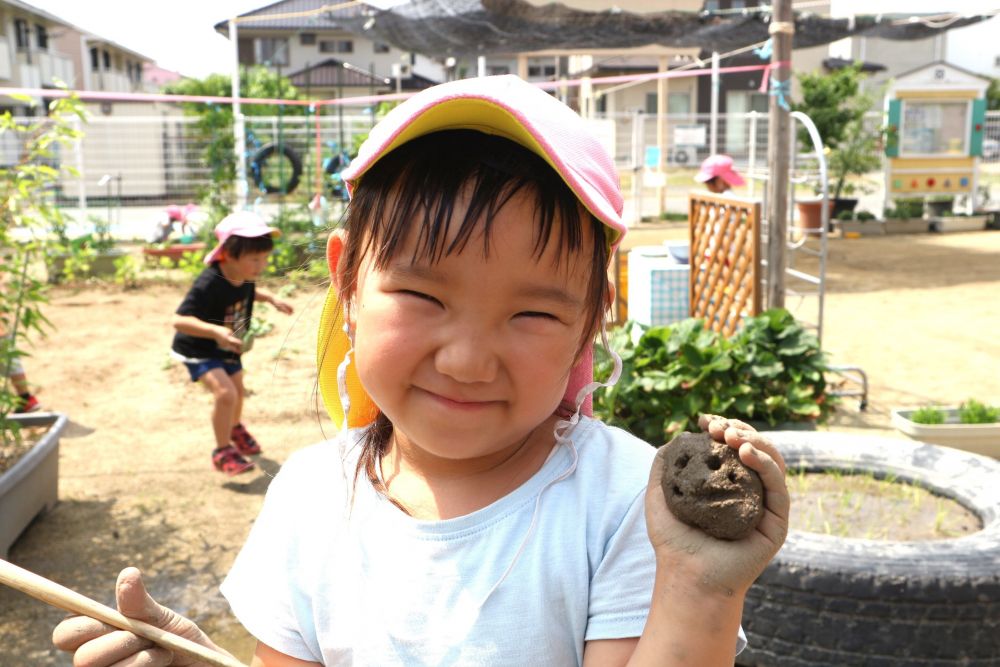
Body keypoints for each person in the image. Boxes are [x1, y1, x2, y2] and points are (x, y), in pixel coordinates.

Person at [52, 75, 788, 665]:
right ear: (346, 279)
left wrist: (698, 588)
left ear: (593, 316)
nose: (467, 359)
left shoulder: (628, 503)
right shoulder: (309, 499)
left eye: (532, 313)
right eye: (421, 294)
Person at [170, 211, 293, 476]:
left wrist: (270, 298)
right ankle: (222, 450)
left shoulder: (243, 275)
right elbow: (179, 320)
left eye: (264, 258)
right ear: (229, 253)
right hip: (199, 348)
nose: (261, 265)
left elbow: (247, 290)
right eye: (255, 259)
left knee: (238, 390)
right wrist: (215, 331)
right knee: (226, 394)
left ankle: (234, 427)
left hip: (226, 346)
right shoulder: (209, 282)